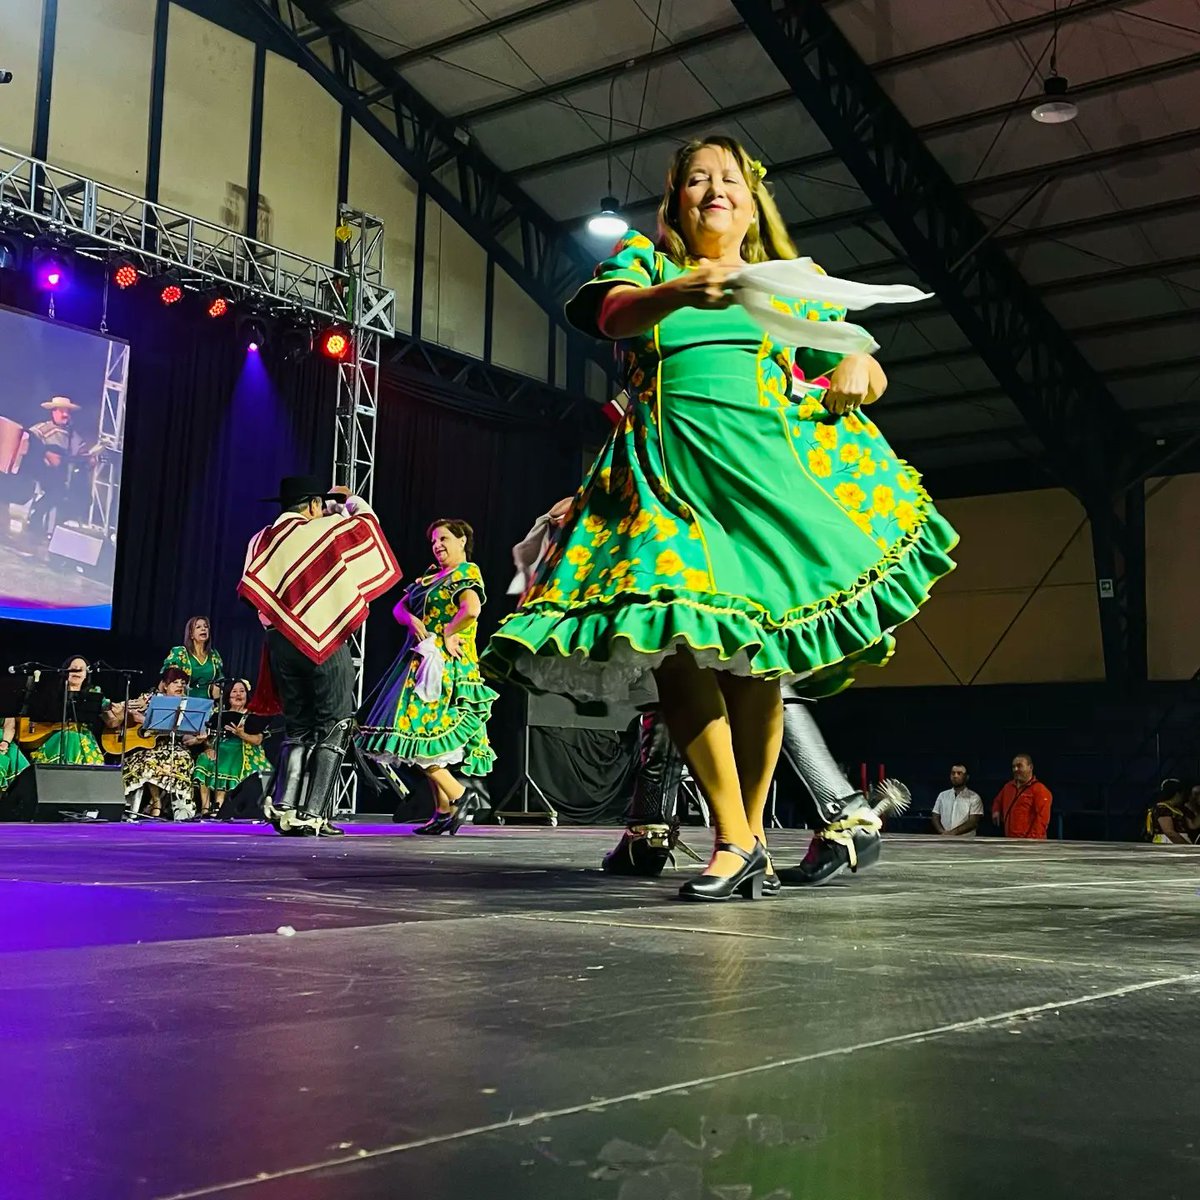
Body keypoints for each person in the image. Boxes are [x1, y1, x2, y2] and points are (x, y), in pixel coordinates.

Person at [482, 135, 956, 901]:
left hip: (759, 478)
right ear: (676, 201)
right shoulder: (647, 260)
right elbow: (609, 315)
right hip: (668, 477)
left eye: (728, 178)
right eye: (696, 180)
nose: (714, 190)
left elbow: (855, 356)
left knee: (758, 662)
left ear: (751, 197)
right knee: (678, 650)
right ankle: (733, 836)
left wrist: (857, 369)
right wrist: (682, 291)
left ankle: (750, 840)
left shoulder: (787, 285)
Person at [240, 473, 401, 836]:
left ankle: (285, 807)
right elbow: (367, 529)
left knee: (298, 725)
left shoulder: (260, 540)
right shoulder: (323, 530)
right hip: (322, 640)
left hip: (278, 642)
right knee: (335, 723)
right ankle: (314, 813)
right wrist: (349, 502)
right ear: (313, 505)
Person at [362, 520, 497, 834]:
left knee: (417, 734)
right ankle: (443, 810)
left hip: (446, 664)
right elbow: (398, 608)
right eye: (434, 541)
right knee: (426, 736)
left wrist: (448, 632)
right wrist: (411, 620)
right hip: (421, 660)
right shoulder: (428, 578)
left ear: (463, 540)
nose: (438, 546)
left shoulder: (465, 573)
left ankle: (463, 796)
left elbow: (472, 609)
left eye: (444, 539)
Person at [193, 679, 269, 817]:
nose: (238, 694)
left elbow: (258, 740)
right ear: (228, 695)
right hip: (219, 746)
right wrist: (208, 747)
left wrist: (241, 734)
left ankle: (221, 806)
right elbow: (209, 737)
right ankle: (205, 808)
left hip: (243, 748)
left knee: (228, 761)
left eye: (242, 691)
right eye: (234, 691)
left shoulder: (253, 714)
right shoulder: (219, 713)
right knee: (204, 759)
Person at [29, 656, 119, 765]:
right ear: (65, 671)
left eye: (81, 669)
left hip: (84, 740)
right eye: (74, 668)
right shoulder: (52, 694)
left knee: (73, 737)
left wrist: (109, 710)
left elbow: (112, 723)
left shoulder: (94, 694)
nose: (77, 671)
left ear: (86, 674)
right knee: (69, 736)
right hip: (55, 738)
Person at [25, 396, 95, 537]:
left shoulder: (72, 436)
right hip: (41, 474)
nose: (65, 415)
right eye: (62, 411)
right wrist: (45, 454)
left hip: (63, 478)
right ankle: (35, 517)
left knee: (79, 497)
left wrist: (90, 459)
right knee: (56, 491)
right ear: (53, 412)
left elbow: (81, 452)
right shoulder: (41, 430)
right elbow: (27, 444)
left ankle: (56, 531)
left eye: (68, 411)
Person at [991, 754, 1053, 839]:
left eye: (1019, 766)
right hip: (1010, 840)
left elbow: (1042, 820)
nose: (1015, 769)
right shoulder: (1008, 787)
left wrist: (1031, 843)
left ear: (1030, 767)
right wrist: (996, 811)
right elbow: (998, 800)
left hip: (1030, 844)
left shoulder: (1040, 790)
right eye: (1013, 767)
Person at [163, 617, 224, 699]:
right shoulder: (180, 653)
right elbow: (168, 679)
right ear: (191, 634)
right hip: (183, 703)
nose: (203, 629)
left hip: (207, 705)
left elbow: (220, 680)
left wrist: (217, 688)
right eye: (198, 627)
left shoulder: (214, 655)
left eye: (206, 627)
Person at [931, 763, 984, 837]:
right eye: (953, 773)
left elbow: (973, 822)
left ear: (967, 777)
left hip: (966, 841)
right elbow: (935, 816)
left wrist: (952, 833)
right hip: (944, 839)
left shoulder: (974, 797)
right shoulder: (942, 795)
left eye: (959, 773)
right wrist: (942, 832)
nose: (955, 776)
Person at [0, 715, 31, 797]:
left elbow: (10, 725)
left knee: (23, 768)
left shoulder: (6, 703)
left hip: (3, 739)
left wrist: (6, 742)